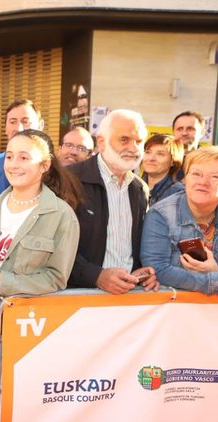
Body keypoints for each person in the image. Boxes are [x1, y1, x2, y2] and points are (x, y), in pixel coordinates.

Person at [0, 130, 82, 337]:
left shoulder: (61, 216)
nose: (13, 164)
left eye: (24, 158)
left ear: (44, 165)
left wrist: (2, 281)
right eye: (9, 156)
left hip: (25, 322)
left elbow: (56, 278)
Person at [67, 109, 159, 294]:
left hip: (124, 299)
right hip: (77, 300)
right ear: (101, 142)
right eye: (124, 139)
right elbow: (53, 246)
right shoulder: (70, 180)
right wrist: (96, 276)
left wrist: (137, 271)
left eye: (139, 142)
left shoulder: (139, 189)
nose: (134, 149)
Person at [141, 146, 218, 294]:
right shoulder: (160, 214)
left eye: (215, 176)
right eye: (196, 174)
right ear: (185, 178)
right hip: (175, 311)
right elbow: (158, 269)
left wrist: (215, 270)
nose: (203, 182)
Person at [141, 133, 184, 206]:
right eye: (148, 152)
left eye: (160, 154)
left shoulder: (178, 193)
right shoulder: (131, 186)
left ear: (173, 161)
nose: (151, 158)